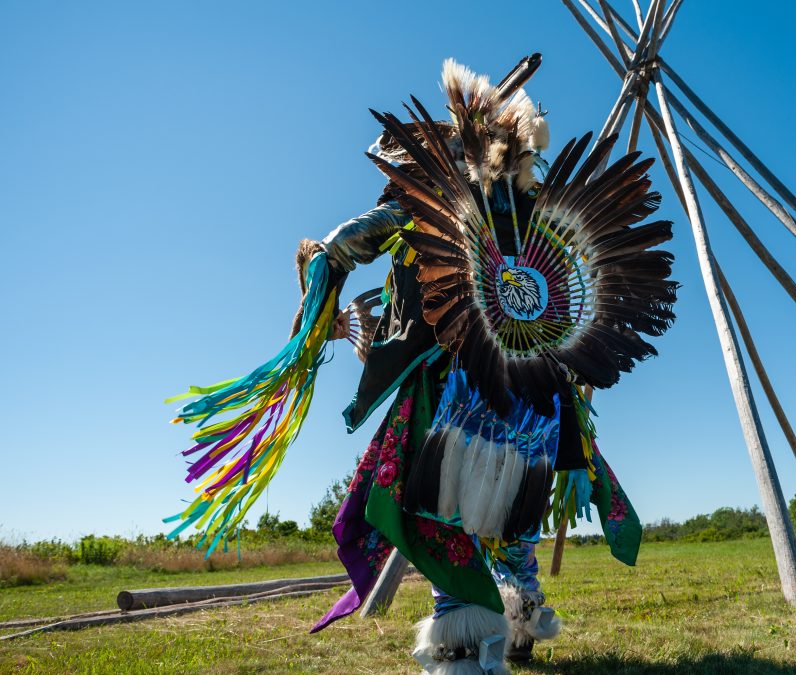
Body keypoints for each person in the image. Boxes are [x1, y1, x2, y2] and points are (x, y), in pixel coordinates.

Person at [168, 53, 676, 674]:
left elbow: (338, 248)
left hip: (456, 400)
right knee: (512, 525)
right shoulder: (524, 221)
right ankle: (516, 623)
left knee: (443, 516)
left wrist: (312, 306)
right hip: (532, 406)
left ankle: (465, 645)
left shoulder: (418, 209)